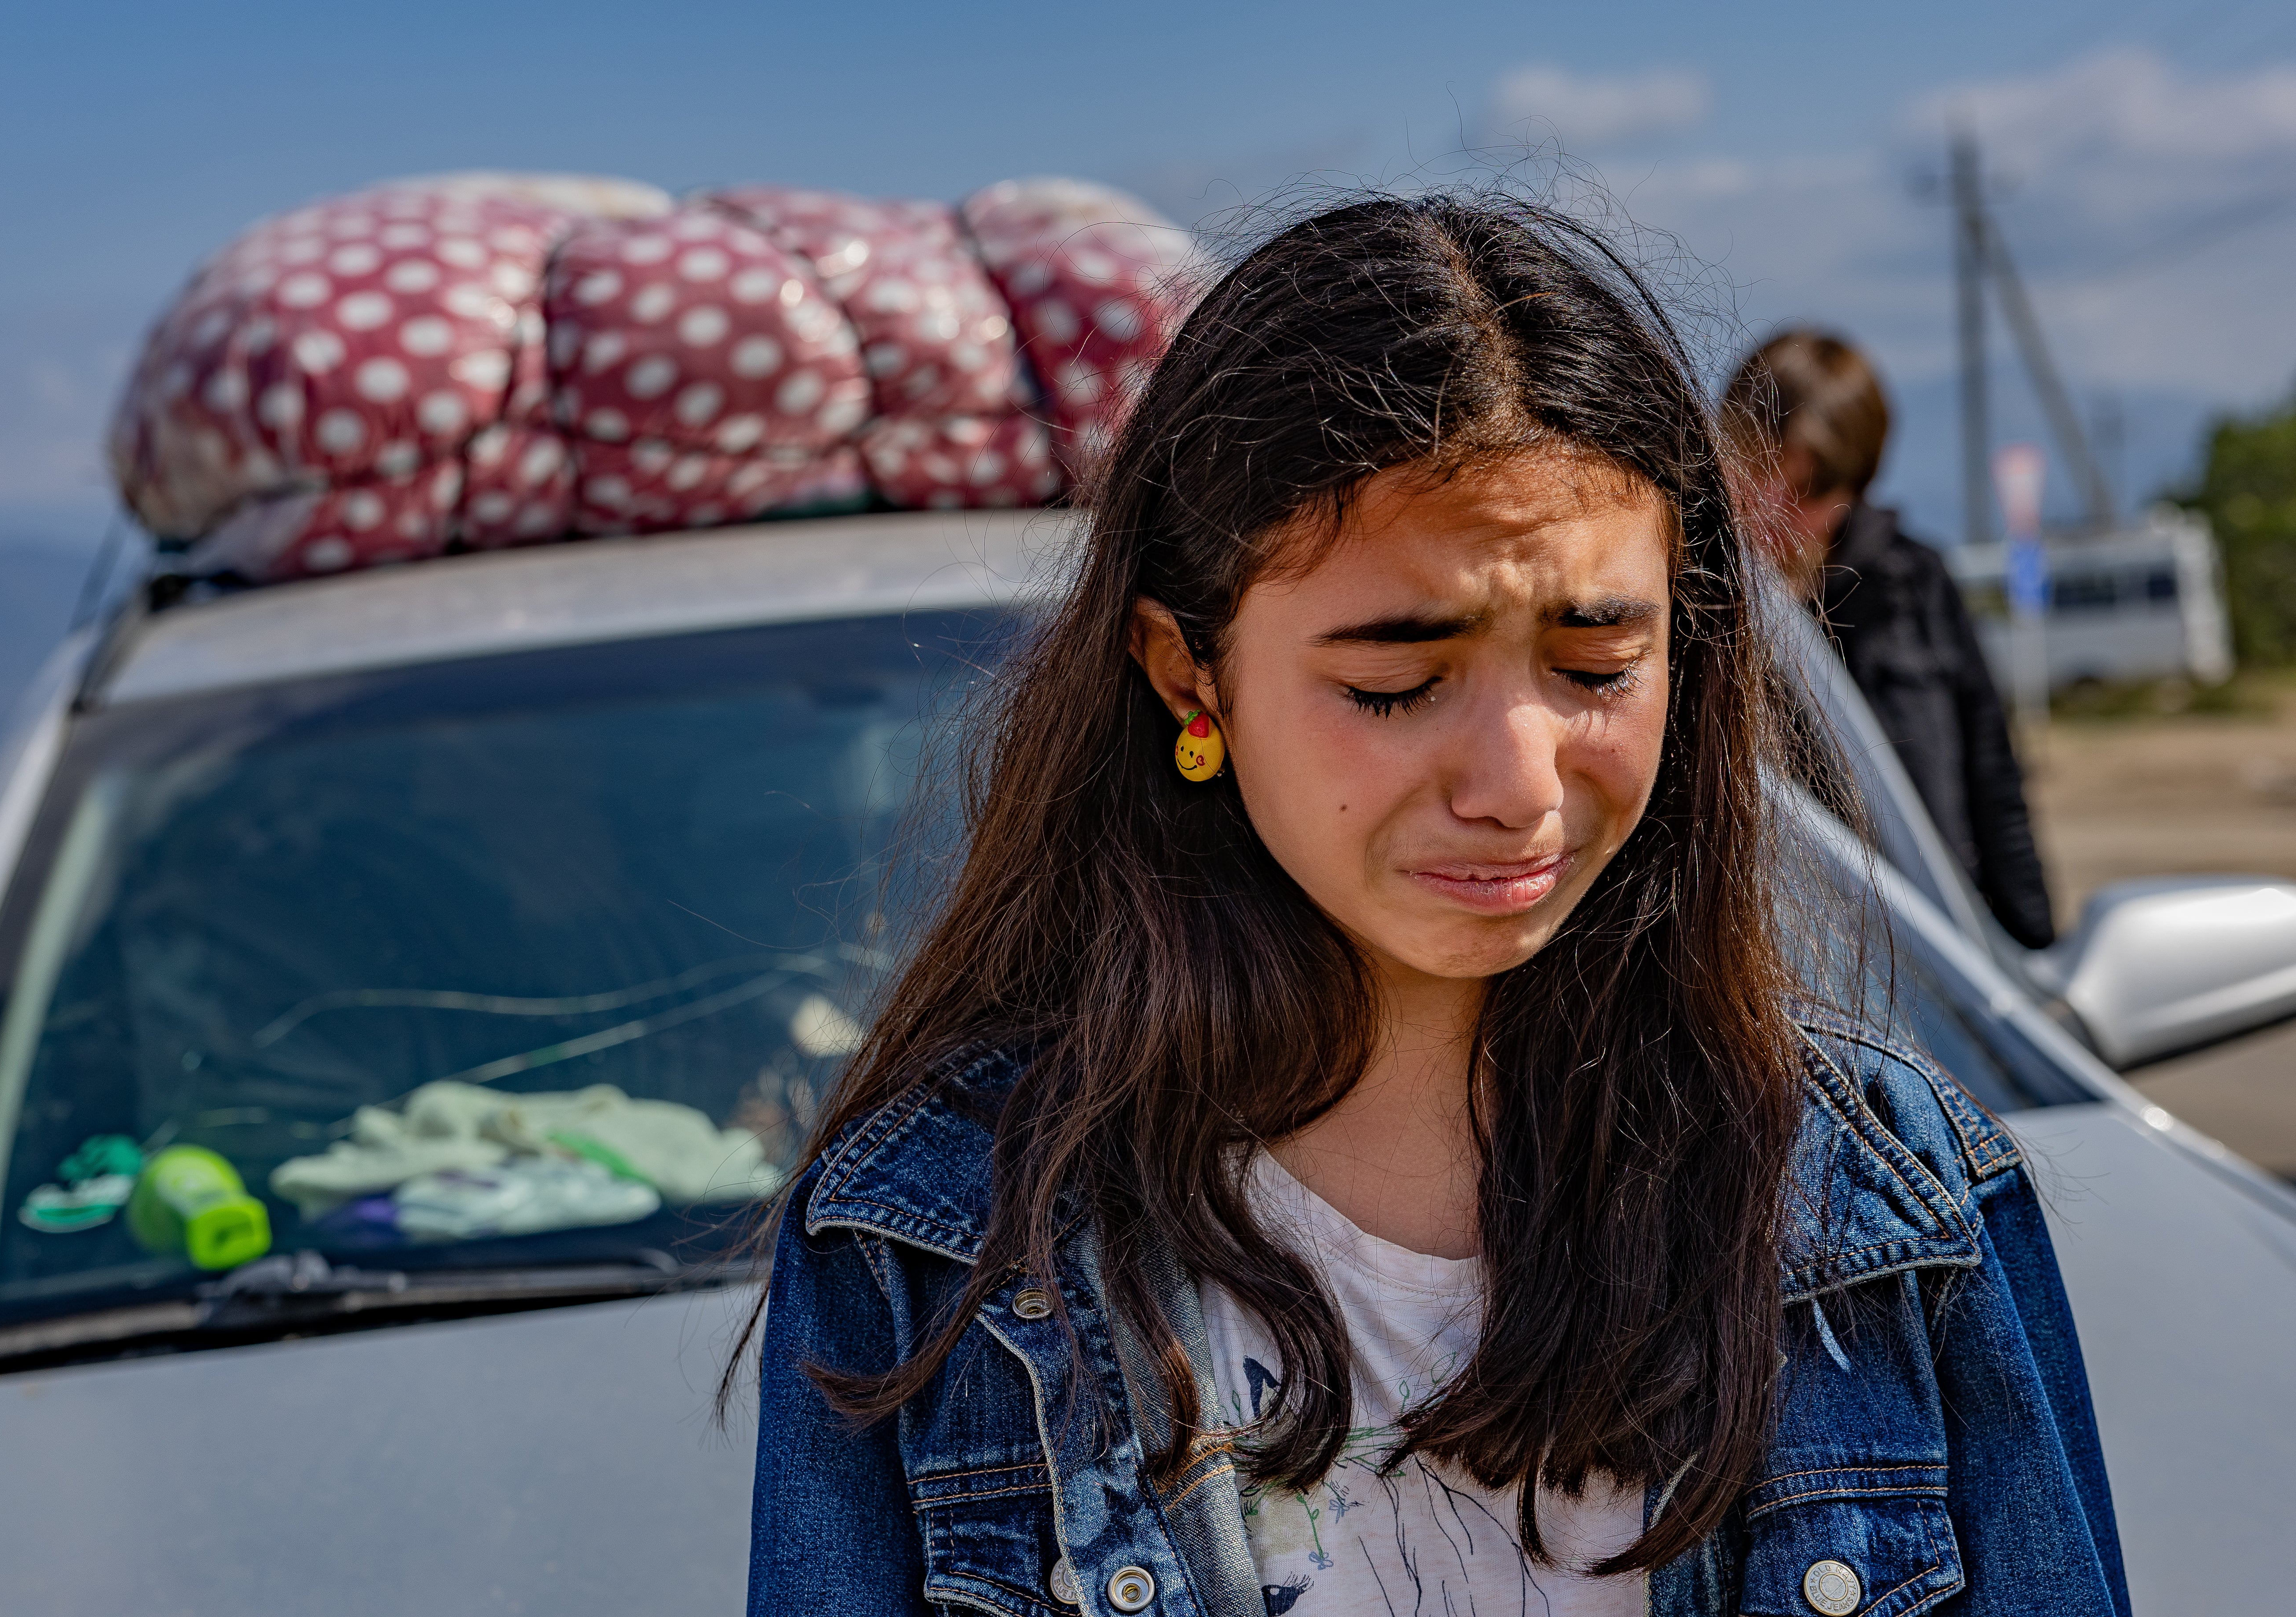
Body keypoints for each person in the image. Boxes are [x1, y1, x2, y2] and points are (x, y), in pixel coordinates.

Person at [744, 199, 2124, 1617]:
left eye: (1595, 666)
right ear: (1185, 676)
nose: (1516, 785)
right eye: (1394, 686)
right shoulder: (920, 1252)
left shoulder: (1890, 1211)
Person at [1722, 330, 2056, 949]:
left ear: (1855, 481)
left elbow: (1994, 786)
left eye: (1805, 489)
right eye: (1758, 469)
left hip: (1939, 961)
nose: (1770, 506)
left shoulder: (1917, 583)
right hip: (1776, 971)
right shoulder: (1693, 600)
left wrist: (2037, 968)